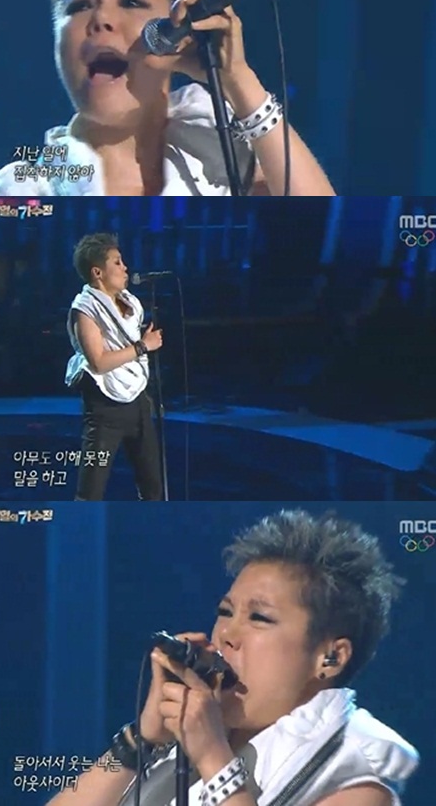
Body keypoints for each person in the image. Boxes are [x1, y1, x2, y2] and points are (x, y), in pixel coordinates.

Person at [44, 509, 420, 805]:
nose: (226, 634)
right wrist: (138, 741)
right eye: (225, 612)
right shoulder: (185, 743)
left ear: (331, 658)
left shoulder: (358, 782)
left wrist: (213, 758)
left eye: (259, 618)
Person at [0, 0, 337, 198]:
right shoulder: (26, 188)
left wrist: (239, 81)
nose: (101, 18)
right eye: (80, 5)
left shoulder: (218, 145)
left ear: (177, 31)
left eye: (131, 1)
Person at [65, 232, 163, 501]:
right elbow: (98, 362)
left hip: (138, 402)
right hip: (105, 409)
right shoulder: (85, 309)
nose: (125, 268)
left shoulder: (130, 302)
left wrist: (141, 345)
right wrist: (143, 346)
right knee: (90, 493)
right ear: (97, 272)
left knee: (153, 487)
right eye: (117, 262)